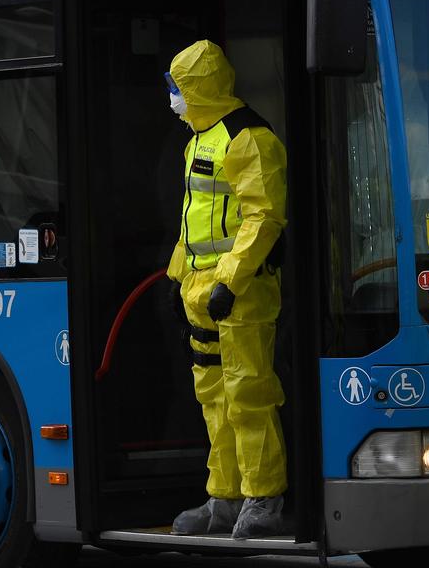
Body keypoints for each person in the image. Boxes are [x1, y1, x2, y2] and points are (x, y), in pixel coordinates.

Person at [163, 40, 288, 540]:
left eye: (177, 88)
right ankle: (224, 496)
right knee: (213, 396)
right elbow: (196, 220)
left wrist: (230, 281)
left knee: (248, 393)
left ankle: (264, 498)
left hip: (240, 291)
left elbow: (264, 217)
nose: (171, 98)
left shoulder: (247, 138)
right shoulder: (200, 137)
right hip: (203, 288)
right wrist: (178, 278)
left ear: (198, 88)